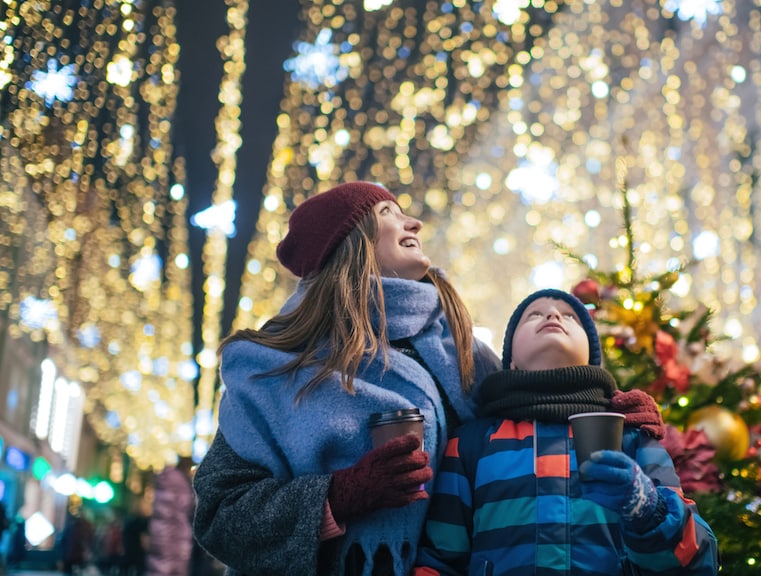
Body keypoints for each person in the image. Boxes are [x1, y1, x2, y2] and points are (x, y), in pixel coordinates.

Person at [191, 181, 664, 576]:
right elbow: (220, 515)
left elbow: (528, 417)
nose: (413, 223)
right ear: (347, 240)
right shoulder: (279, 365)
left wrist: (607, 406)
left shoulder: (461, 352)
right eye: (388, 213)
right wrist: (337, 496)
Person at [415, 289, 719, 575]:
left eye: (570, 316)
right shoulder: (471, 443)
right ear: (511, 361)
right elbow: (441, 559)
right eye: (534, 314)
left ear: (591, 356)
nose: (553, 316)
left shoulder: (632, 435)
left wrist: (647, 508)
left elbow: (698, 559)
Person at [146, 458, 195, 575]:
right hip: (173, 534)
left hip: (162, 533)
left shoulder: (165, 481)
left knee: (160, 564)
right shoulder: (179, 484)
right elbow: (186, 505)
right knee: (169, 565)